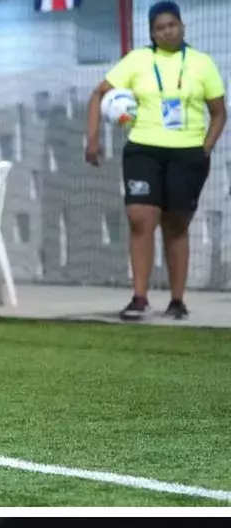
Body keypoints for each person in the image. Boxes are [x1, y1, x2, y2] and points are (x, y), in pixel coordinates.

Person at [84, 0, 224, 321]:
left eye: (171, 25)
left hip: (188, 154)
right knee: (140, 219)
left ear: (182, 26)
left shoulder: (202, 64)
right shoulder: (137, 60)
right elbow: (98, 94)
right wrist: (92, 139)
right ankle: (139, 297)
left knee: (176, 225)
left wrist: (205, 148)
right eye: (159, 27)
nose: (166, 31)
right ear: (151, 32)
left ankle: (177, 301)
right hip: (143, 150)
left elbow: (219, 113)